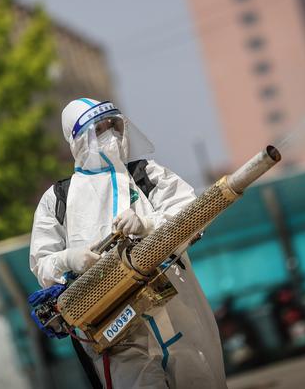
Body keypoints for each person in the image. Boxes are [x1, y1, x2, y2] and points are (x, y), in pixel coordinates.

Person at [29, 98, 227, 388]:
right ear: (78, 140)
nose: (110, 134)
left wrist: (148, 225)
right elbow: (43, 263)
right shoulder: (58, 199)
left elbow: (192, 215)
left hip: (177, 315)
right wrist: (70, 259)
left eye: (114, 125)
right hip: (115, 333)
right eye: (100, 128)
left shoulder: (146, 174)